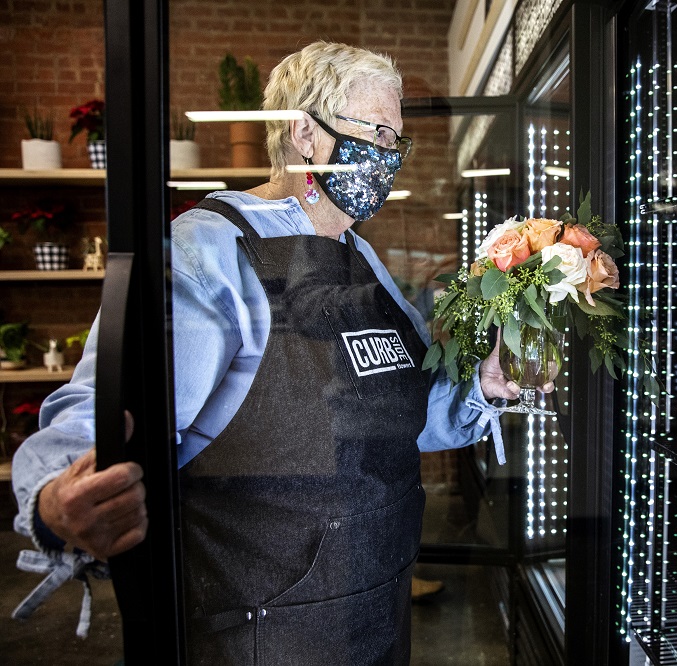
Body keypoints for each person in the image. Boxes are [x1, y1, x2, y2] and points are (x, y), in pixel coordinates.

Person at [11, 40, 528, 664]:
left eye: (398, 142)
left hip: (377, 616)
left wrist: (483, 386)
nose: (390, 159)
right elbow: (99, 411)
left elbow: (407, 415)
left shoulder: (361, 259)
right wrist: (54, 503)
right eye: (377, 136)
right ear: (303, 133)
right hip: (259, 633)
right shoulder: (208, 253)